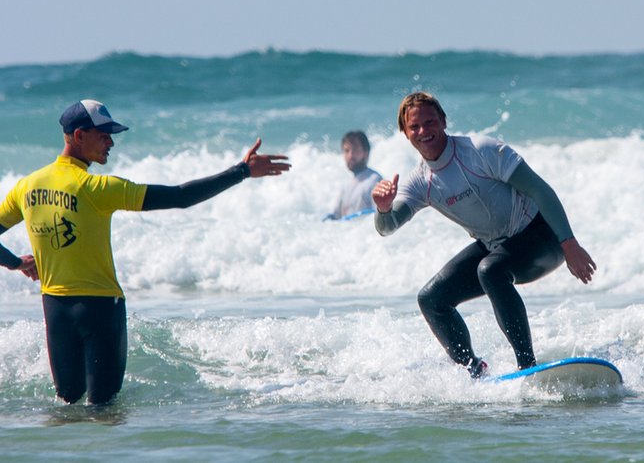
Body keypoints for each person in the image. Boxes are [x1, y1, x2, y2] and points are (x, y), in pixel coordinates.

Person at [0, 99, 291, 404]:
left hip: (55, 310)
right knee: (105, 412)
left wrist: (15, 262)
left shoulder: (27, 187)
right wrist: (241, 171)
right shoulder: (96, 188)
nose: (111, 142)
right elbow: (180, 197)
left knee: (67, 408)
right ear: (79, 135)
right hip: (100, 310)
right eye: (104, 134)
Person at [372, 92, 596, 378]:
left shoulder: (481, 151)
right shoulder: (419, 182)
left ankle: (527, 367)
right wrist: (383, 208)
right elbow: (387, 226)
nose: (423, 131)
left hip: (542, 235)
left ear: (443, 121)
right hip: (497, 248)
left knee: (490, 270)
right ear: (405, 133)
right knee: (431, 299)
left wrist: (569, 244)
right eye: (414, 127)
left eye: (429, 122)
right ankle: (474, 371)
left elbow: (541, 191)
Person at [324, 131, 382, 220]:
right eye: (346, 151)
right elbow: (335, 216)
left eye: (355, 150)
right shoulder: (345, 184)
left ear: (366, 153)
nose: (350, 155)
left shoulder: (375, 180)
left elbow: (380, 216)